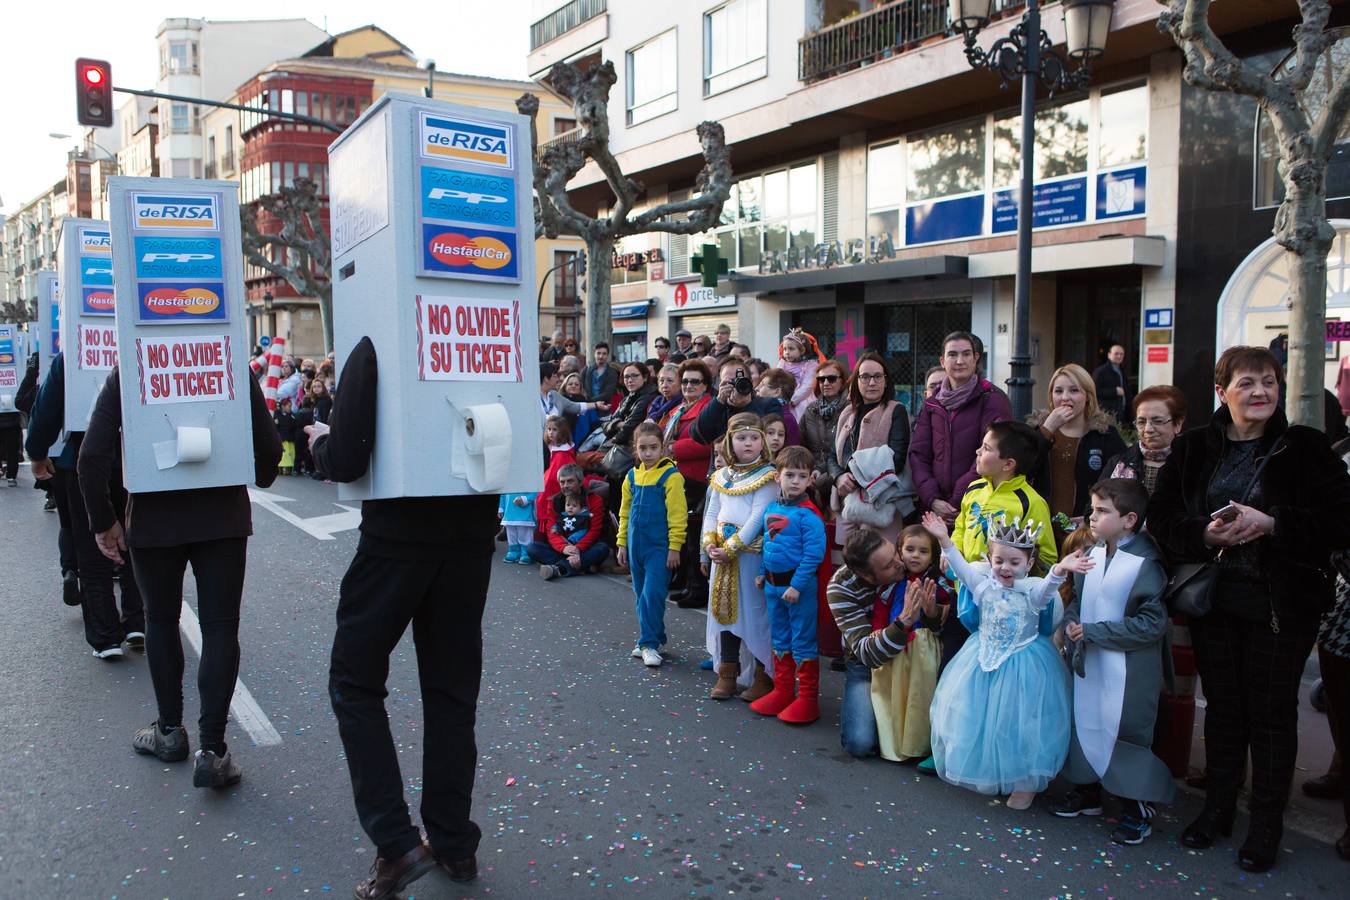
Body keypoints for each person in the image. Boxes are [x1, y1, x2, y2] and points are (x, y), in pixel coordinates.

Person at [1147, 345, 1350, 872]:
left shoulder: (1307, 448)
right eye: (1247, 383)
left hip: (1283, 604)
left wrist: (1274, 523)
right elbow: (1163, 517)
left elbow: (1341, 520)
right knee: (1224, 710)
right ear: (1222, 392)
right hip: (1213, 599)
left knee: (1272, 715)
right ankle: (1217, 808)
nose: (1260, 392)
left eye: (1269, 382)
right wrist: (1202, 531)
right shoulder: (1193, 448)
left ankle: (1265, 824)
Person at [306, 336, 490, 895]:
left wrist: (319, 441)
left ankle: (396, 842)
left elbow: (346, 456)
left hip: (396, 538)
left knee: (354, 681)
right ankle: (454, 844)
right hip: (472, 532)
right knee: (452, 691)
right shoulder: (487, 328)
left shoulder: (377, 332)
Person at [80, 361, 280, 788]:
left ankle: (169, 732)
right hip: (222, 516)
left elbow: (91, 456)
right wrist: (261, 474)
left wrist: (104, 521)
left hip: (155, 518)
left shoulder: (129, 372)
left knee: (160, 619)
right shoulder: (227, 366)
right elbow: (268, 445)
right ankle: (213, 750)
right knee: (221, 627)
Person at [923, 511, 1088, 809]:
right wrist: (943, 538)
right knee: (982, 716)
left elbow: (1049, 587)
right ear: (989, 558)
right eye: (999, 560)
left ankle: (1024, 782)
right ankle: (988, 770)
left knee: (1021, 722)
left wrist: (1061, 568)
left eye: (1015, 562)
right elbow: (959, 568)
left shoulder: (1033, 593)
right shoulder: (983, 585)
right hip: (982, 659)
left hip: (1024, 664)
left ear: (1028, 563)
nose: (1005, 568)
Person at [1055, 478, 1174, 846]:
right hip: (1091, 661)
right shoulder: (1093, 553)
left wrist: (1094, 632)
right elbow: (1078, 598)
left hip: (1128, 669)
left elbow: (1151, 623)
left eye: (1102, 511)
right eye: (1093, 509)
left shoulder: (1146, 563)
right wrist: (1072, 622)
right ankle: (1088, 790)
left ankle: (1136, 806)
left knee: (1123, 732)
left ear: (1129, 519)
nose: (1092, 517)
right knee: (1086, 722)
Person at [26, 352, 144, 657]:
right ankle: (138, 621)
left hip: (84, 456)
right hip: (139, 457)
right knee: (137, 542)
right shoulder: (143, 342)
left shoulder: (75, 349)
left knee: (92, 548)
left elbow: (47, 408)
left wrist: (37, 453)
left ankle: (105, 636)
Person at [944, 422, 1060, 677]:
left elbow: (1047, 556)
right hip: (963, 593)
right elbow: (961, 526)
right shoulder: (974, 489)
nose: (977, 452)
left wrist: (1014, 578)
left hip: (1002, 609)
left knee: (994, 672)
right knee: (955, 664)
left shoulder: (1031, 502)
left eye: (985, 448)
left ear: (1008, 464)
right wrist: (952, 554)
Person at [701, 412, 778, 702]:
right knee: (724, 613)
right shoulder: (721, 477)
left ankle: (762, 674)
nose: (748, 443)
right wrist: (709, 544)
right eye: (741, 438)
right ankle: (727, 673)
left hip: (748, 558)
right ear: (729, 442)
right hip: (722, 558)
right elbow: (712, 512)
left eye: (754, 437)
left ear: (763, 442)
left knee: (755, 614)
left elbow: (758, 517)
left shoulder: (768, 476)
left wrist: (731, 548)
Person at [749, 445, 828, 723]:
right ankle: (783, 691)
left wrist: (796, 585)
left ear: (810, 480)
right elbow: (768, 545)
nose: (795, 481)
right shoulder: (772, 508)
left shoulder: (809, 515)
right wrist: (761, 571)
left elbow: (813, 555)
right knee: (780, 639)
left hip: (798, 591)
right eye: (790, 475)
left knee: (803, 641)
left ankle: (807, 699)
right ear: (777, 477)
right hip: (773, 587)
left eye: (802, 476)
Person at [827, 528, 916, 758]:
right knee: (860, 742)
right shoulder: (840, 587)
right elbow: (867, 654)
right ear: (867, 576)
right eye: (887, 566)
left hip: (915, 658)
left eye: (895, 553)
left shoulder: (910, 558)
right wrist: (903, 623)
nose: (900, 563)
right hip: (867, 665)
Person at [908, 331, 1012, 527]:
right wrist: (932, 499)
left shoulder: (993, 399)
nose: (959, 361)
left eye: (966, 354)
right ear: (942, 361)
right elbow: (918, 455)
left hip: (978, 507)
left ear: (975, 359)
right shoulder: (932, 404)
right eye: (952, 355)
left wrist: (956, 501)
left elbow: (994, 454)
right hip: (933, 510)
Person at [870, 525, 950, 763]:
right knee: (893, 693)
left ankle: (917, 744)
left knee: (919, 695)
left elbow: (941, 619)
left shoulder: (938, 584)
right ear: (900, 552)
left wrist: (932, 610)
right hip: (894, 645)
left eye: (923, 551)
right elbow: (880, 611)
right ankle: (892, 742)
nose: (915, 555)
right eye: (910, 549)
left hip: (923, 648)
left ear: (933, 556)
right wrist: (877, 633)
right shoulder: (893, 582)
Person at [616, 422, 687, 668]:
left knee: (652, 595)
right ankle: (655, 635)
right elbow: (624, 512)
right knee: (640, 596)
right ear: (635, 449)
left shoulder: (671, 476)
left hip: (659, 547)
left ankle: (648, 644)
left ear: (663, 447)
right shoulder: (632, 476)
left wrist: (674, 546)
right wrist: (621, 543)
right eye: (643, 448)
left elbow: (678, 515)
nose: (648, 453)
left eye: (653, 448)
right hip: (636, 546)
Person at [1030, 363, 1126, 536]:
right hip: (1041, 531)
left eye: (1074, 390)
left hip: (1086, 533)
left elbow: (1119, 483)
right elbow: (1023, 470)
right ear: (1051, 396)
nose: (1065, 397)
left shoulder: (1104, 434)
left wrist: (1091, 517)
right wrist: (1046, 431)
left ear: (1087, 396)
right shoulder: (1038, 432)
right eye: (1058, 391)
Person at [832, 352, 914, 545]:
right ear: (856, 381)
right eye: (865, 377)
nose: (871, 383)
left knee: (880, 562)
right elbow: (831, 454)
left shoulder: (896, 410)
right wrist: (838, 477)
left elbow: (897, 460)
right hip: (847, 502)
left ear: (886, 381)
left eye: (878, 376)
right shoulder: (847, 412)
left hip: (881, 503)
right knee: (846, 563)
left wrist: (853, 475)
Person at [666, 359, 714, 609]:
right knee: (684, 536)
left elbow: (707, 442)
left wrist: (673, 448)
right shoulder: (680, 409)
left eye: (695, 381)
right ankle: (688, 583)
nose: (688, 386)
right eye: (684, 381)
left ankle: (699, 589)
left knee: (696, 538)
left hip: (697, 479)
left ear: (705, 384)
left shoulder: (707, 408)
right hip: (679, 479)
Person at [1104, 386, 1187, 495]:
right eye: (1141, 422)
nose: (1148, 429)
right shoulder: (1119, 463)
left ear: (1178, 424)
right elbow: (1096, 506)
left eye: (1157, 421)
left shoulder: (1193, 464)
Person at [532, 464, 609, 579]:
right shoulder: (554, 501)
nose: (565, 486)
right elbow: (552, 530)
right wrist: (564, 548)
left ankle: (558, 568)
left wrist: (577, 548)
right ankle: (579, 566)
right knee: (532, 548)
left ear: (581, 481)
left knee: (602, 548)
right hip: (562, 548)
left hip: (585, 548)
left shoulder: (594, 500)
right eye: (562, 482)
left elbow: (594, 530)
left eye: (570, 481)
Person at [692, 358, 792, 446]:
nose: (736, 385)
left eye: (740, 380)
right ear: (720, 384)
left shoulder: (769, 404)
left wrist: (746, 404)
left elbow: (769, 438)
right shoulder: (717, 408)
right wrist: (718, 402)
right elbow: (698, 435)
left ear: (750, 382)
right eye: (730, 381)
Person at [801, 359, 849, 504]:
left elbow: (846, 451)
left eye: (832, 379)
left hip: (839, 473)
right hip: (810, 473)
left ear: (842, 382)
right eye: (821, 379)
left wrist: (823, 473)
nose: (826, 383)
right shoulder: (811, 409)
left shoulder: (850, 409)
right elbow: (801, 442)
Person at [777, 328, 826, 421]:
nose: (787, 352)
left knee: (803, 410)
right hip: (783, 397)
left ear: (802, 350)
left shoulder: (810, 365)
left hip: (801, 398)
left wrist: (792, 401)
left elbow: (807, 386)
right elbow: (775, 379)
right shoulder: (782, 364)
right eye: (785, 349)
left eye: (791, 349)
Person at [756, 368, 803, 443]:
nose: (756, 388)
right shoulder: (762, 412)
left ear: (777, 392)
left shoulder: (787, 419)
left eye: (762, 385)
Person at [1093, 343, 1133, 419]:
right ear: (1109, 355)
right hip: (1107, 413)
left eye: (1121, 354)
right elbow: (1094, 391)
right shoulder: (1101, 371)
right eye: (1116, 354)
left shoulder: (1122, 370)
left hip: (1122, 412)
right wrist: (1114, 391)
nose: (1119, 356)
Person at [498, 490, 538, 565]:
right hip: (509, 513)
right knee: (511, 535)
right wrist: (501, 507)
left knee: (524, 535)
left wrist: (526, 499)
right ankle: (513, 552)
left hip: (524, 513)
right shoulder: (506, 479)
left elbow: (535, 490)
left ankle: (526, 553)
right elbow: (503, 493)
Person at [274, 395, 297, 476]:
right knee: (283, 454)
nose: (290, 408)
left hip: (290, 439)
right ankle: (280, 468)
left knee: (289, 454)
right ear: (283, 406)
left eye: (291, 406)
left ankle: (288, 468)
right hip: (281, 439)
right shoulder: (277, 415)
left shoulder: (292, 416)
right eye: (289, 406)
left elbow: (294, 425)